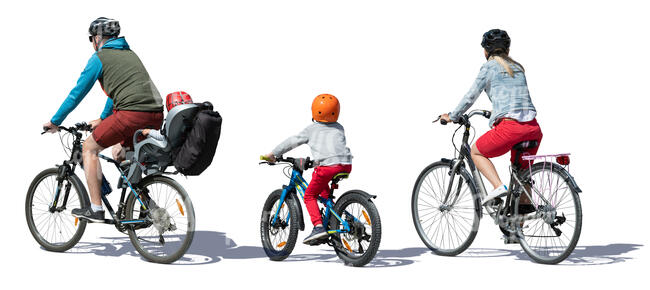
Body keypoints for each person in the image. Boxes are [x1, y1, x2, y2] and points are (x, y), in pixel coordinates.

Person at [43, 17, 164, 222]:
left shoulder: (100, 57)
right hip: (155, 114)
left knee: (89, 148)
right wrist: (102, 119)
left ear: (98, 38)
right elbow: (117, 94)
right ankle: (148, 208)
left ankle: (95, 208)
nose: (92, 43)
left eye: (91, 38)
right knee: (120, 154)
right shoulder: (129, 54)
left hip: (131, 114)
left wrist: (55, 121)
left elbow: (77, 93)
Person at [440, 29, 542, 211]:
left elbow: (471, 96)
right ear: (507, 50)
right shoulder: (518, 67)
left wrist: (452, 116)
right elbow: (514, 99)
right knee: (521, 172)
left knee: (476, 152)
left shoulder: (489, 67)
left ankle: (497, 186)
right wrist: (495, 112)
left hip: (510, 129)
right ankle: (518, 221)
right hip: (533, 129)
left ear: (486, 50)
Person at [263, 94, 353, 244]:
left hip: (327, 167)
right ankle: (333, 215)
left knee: (309, 195)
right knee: (323, 191)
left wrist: (274, 154)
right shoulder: (339, 128)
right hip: (345, 164)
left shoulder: (312, 129)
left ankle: (318, 227)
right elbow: (331, 149)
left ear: (314, 111)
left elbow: (292, 141)